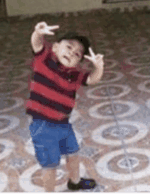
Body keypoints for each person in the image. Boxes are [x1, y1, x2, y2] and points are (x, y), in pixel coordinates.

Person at [25, 21, 104, 192]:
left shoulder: (75, 74)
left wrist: (99, 68)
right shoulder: (43, 59)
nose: (72, 53)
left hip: (63, 123)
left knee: (73, 153)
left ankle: (74, 182)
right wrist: (38, 32)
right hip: (42, 125)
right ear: (54, 47)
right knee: (50, 165)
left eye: (77, 54)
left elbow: (92, 80)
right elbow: (36, 44)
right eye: (68, 47)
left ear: (78, 62)